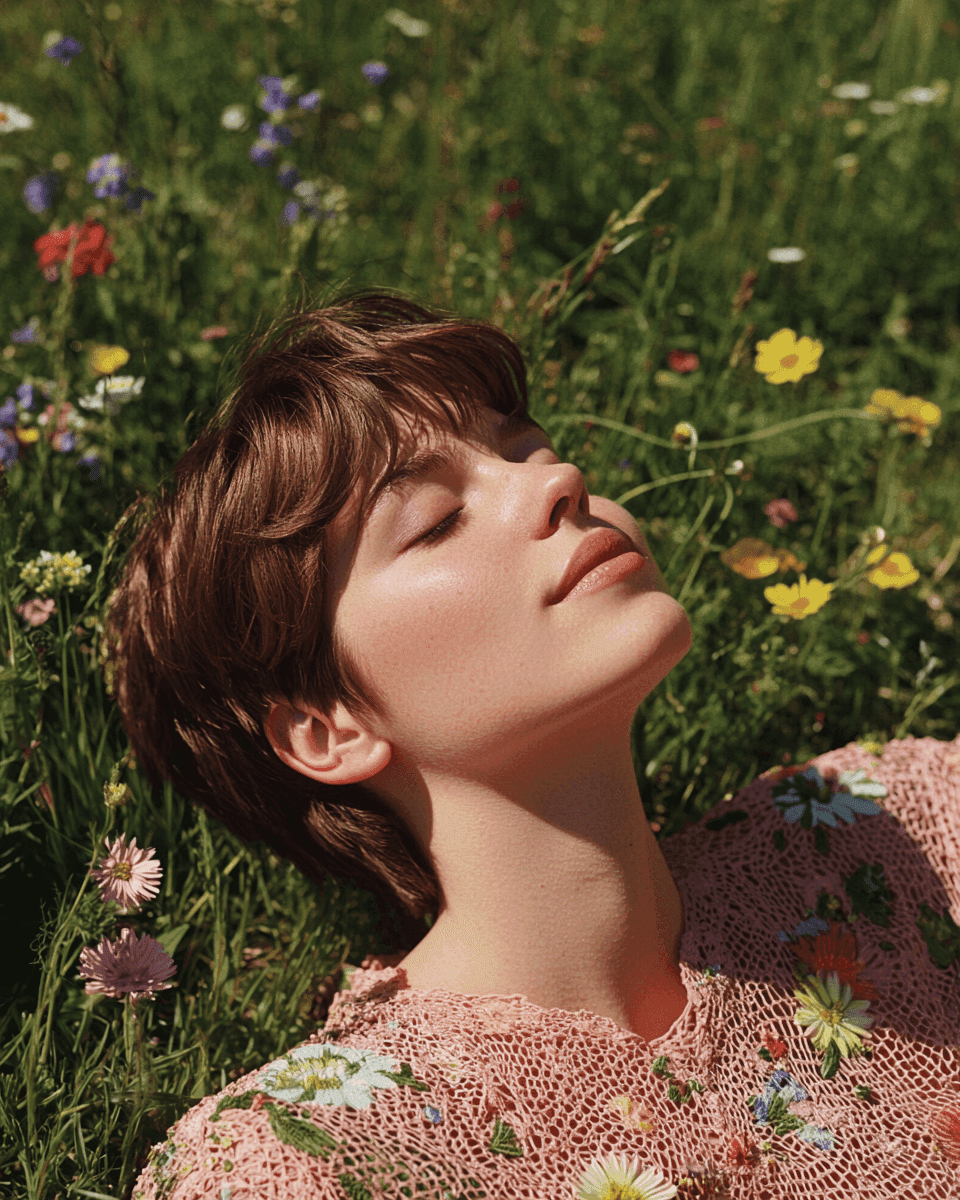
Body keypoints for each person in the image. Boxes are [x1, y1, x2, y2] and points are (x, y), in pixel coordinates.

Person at [113, 291, 960, 1200]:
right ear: (329, 729)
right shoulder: (297, 1162)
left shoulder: (894, 832)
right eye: (436, 520)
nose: (559, 481)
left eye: (526, 445)